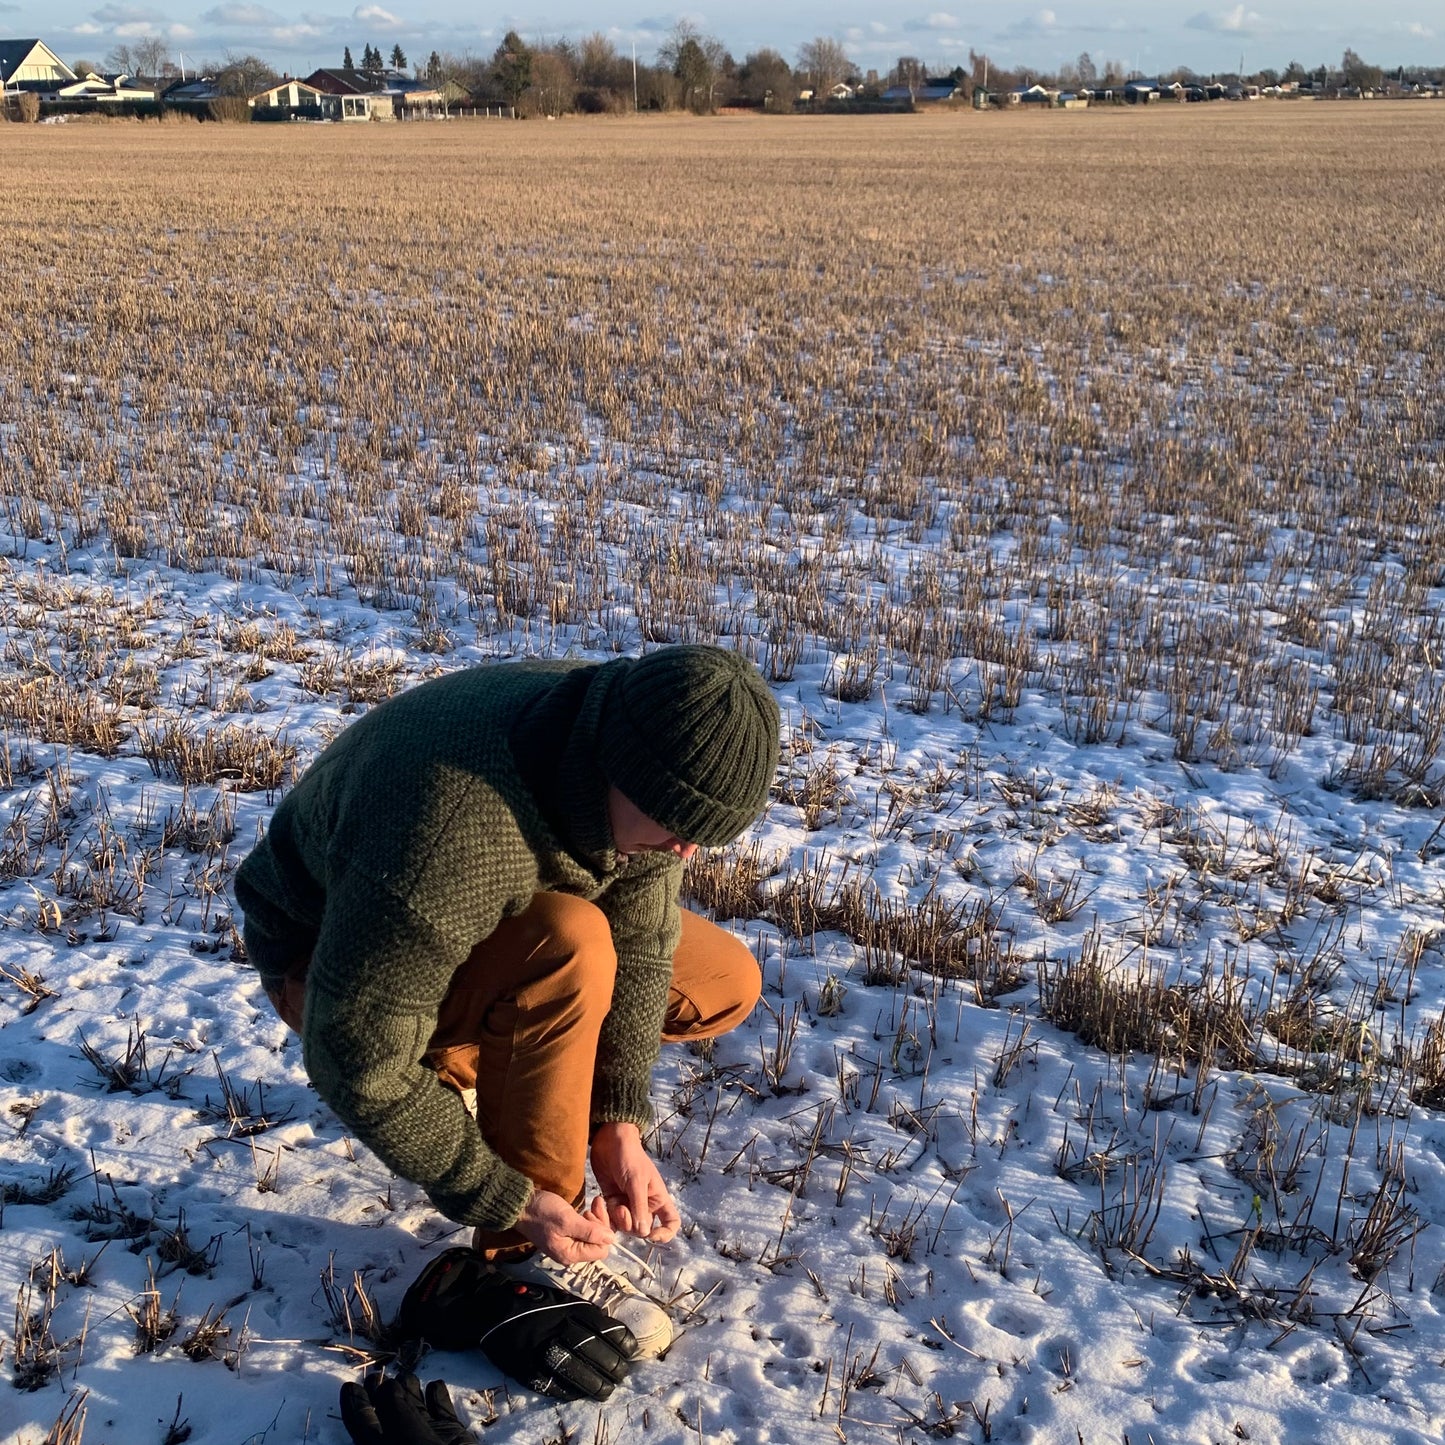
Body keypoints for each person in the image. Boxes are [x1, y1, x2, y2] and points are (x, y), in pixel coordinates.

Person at [234, 644, 780, 1365]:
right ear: (621, 766)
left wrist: (615, 1121)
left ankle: (482, 1060)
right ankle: (526, 1257)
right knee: (570, 946)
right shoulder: (450, 821)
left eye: (698, 835)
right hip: (329, 962)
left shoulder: (620, 745)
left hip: (475, 914)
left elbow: (645, 942)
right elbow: (353, 1053)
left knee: (722, 978)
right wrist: (509, 1197)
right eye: (676, 826)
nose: (683, 852)